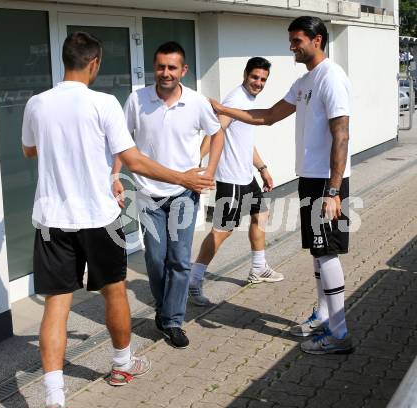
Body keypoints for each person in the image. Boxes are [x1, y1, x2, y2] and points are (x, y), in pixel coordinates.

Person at [22, 32, 215, 408]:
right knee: (114, 292)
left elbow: (30, 150)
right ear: (94, 64)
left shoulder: (36, 104)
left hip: (51, 221)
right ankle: (122, 365)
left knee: (57, 306)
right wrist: (184, 179)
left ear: (65, 60)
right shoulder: (103, 102)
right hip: (99, 218)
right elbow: (135, 161)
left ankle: (55, 404)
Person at [209, 16, 353, 355]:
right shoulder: (305, 81)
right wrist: (222, 107)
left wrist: (333, 192)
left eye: (297, 40)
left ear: (317, 40)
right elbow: (267, 116)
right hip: (310, 178)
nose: (292, 46)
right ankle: (323, 315)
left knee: (327, 251)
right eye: (291, 40)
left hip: (326, 184)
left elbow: (341, 135)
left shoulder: (332, 78)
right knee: (318, 253)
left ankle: (340, 333)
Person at [115, 41, 223, 349]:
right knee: (154, 257)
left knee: (179, 259)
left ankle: (173, 319)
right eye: (161, 66)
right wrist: (115, 176)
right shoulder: (137, 100)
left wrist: (209, 170)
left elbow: (217, 133)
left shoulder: (197, 102)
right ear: (154, 68)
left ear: (183, 70)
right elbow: (121, 142)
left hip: (183, 193)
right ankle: (164, 308)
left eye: (172, 67)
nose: (166, 73)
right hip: (148, 193)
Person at [188, 57, 284, 307]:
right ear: (245, 74)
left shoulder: (249, 101)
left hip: (246, 176)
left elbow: (244, 140)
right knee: (222, 231)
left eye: (263, 79)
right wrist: (200, 163)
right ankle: (194, 281)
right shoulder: (235, 100)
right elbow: (215, 131)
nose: (258, 83)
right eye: (255, 77)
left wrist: (262, 168)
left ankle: (258, 268)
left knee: (261, 214)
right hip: (231, 180)